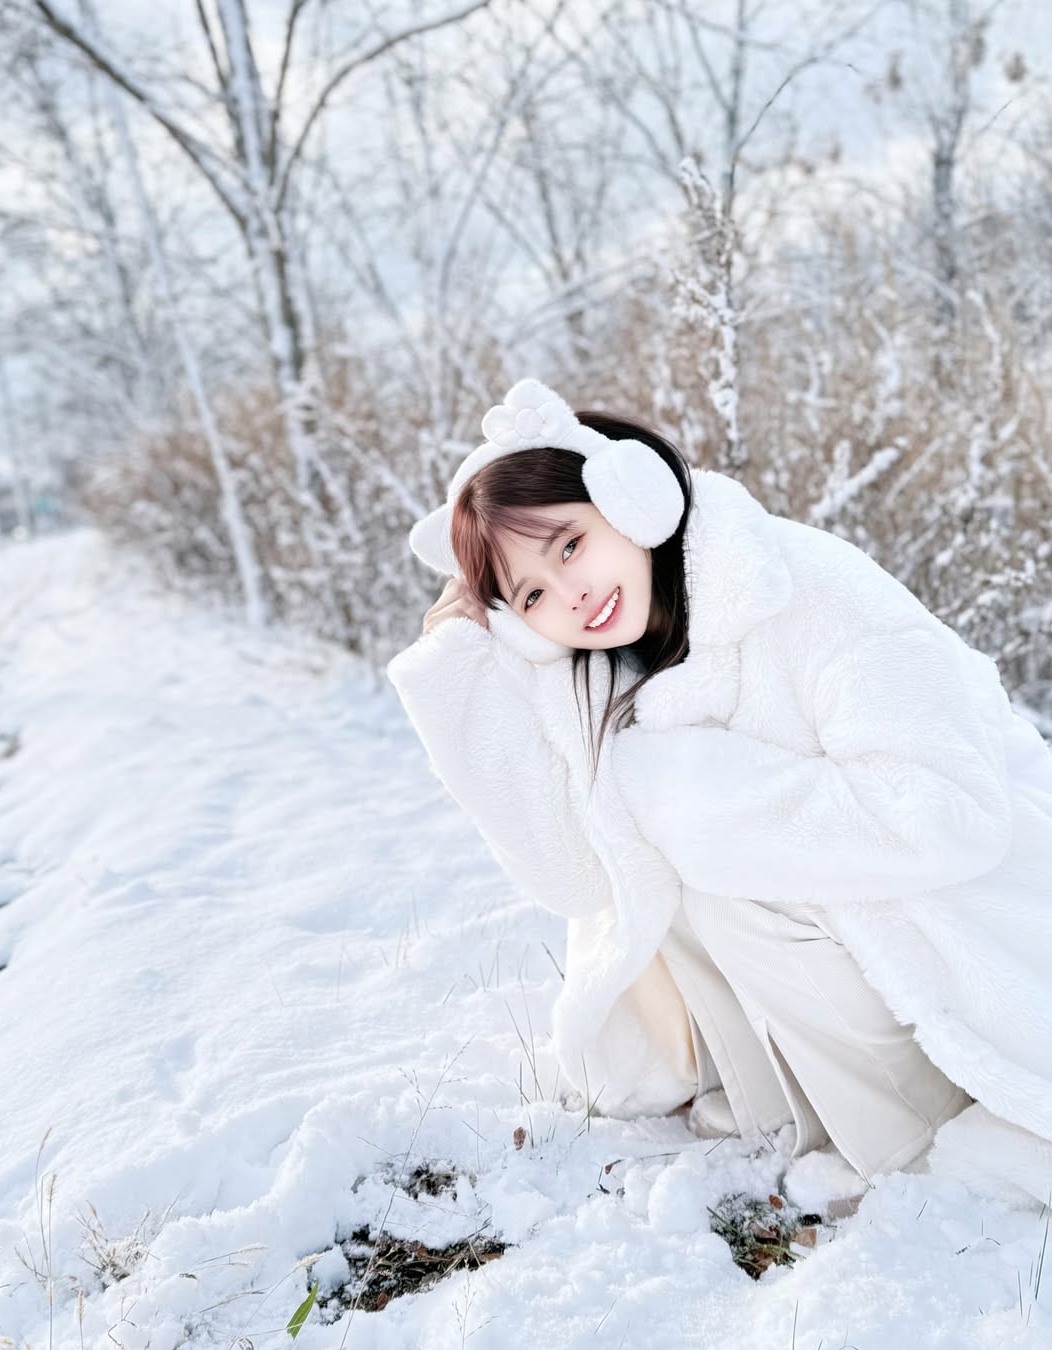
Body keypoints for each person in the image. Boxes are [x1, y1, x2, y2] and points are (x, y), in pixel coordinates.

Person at [386, 378, 1052, 1208]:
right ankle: (784, 1112)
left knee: (720, 871)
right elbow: (580, 876)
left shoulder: (805, 585)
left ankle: (909, 1141)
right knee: (669, 866)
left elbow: (955, 815)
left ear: (629, 496)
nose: (573, 596)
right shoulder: (610, 663)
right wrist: (457, 673)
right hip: (884, 915)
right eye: (531, 598)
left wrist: (691, 790)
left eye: (568, 546)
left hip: (991, 904)